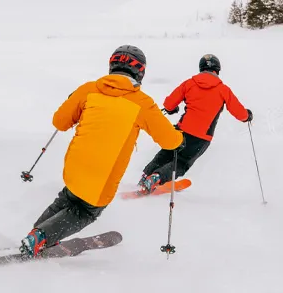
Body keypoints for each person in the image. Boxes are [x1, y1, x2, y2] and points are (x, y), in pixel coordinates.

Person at [19, 45, 184, 257]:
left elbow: (59, 122)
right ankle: (41, 237)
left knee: (68, 198)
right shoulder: (142, 103)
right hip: (103, 176)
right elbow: (170, 141)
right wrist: (180, 139)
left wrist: (72, 101)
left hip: (75, 165)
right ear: (140, 72)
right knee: (87, 210)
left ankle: (37, 234)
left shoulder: (88, 89)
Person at [137, 53, 252, 194]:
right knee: (182, 162)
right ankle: (157, 177)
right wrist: (247, 116)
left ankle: (145, 177)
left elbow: (168, 104)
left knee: (166, 153)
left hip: (180, 130)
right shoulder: (223, 89)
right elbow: (239, 113)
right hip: (201, 137)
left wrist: (172, 109)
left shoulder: (190, 83)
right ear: (217, 70)